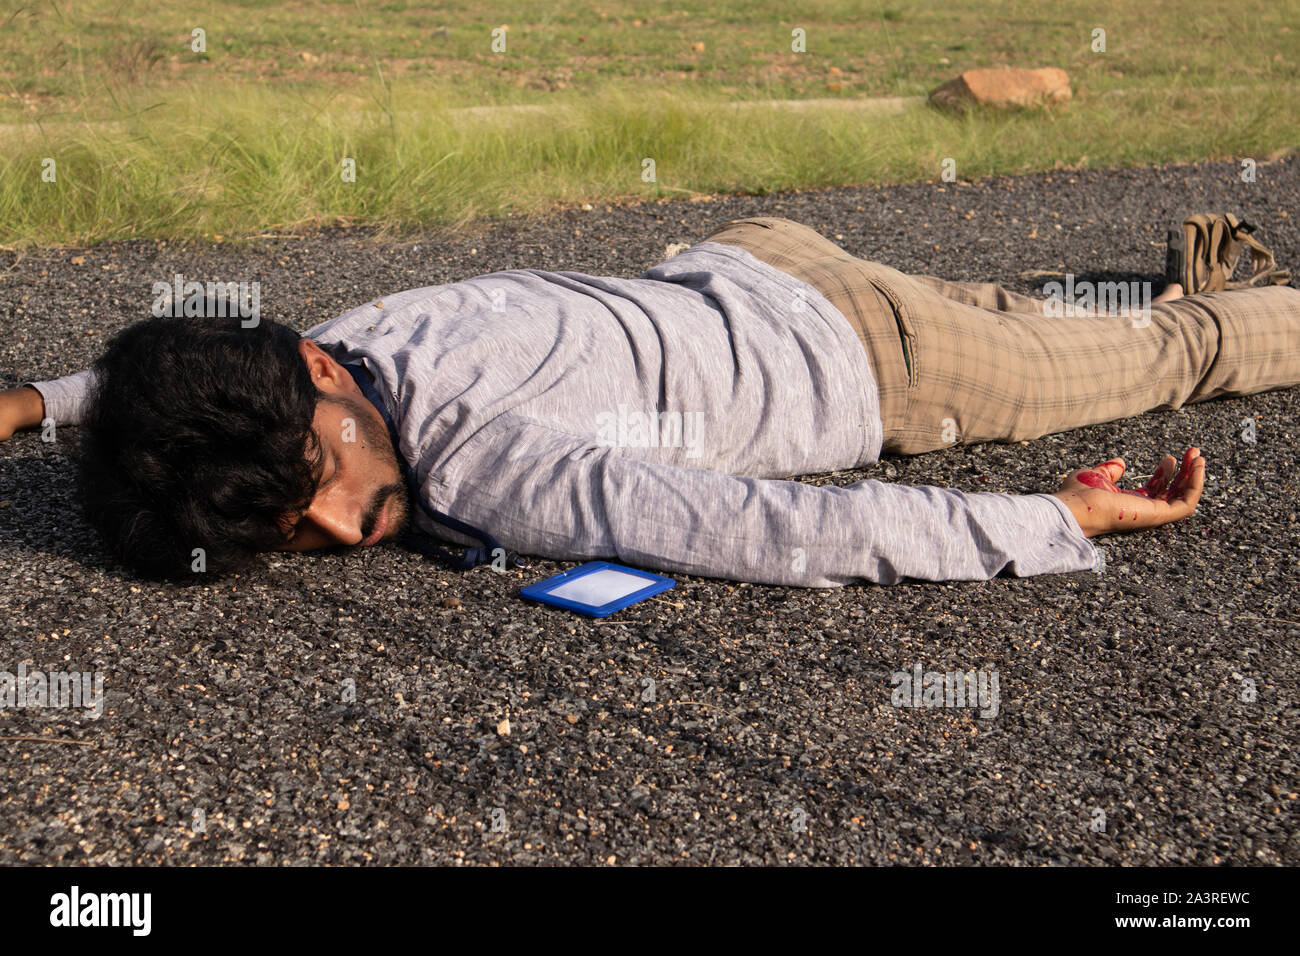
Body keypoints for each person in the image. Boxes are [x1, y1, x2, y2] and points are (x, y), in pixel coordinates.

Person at [5, 215, 1293, 587]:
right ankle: (1199, 259)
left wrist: (1053, 525)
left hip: (884, 369)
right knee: (1034, 312)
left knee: (1169, 357)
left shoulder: (488, 463)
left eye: (318, 487)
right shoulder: (326, 354)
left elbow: (770, 529)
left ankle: (1238, 307)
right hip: (754, 260)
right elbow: (178, 382)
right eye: (294, 534)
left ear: (321, 380)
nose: (345, 526)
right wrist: (42, 402)